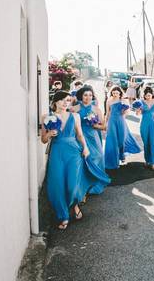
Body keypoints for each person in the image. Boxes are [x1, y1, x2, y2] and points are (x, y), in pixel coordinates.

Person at [41, 91, 89, 230]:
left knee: (71, 185)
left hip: (73, 152)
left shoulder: (75, 116)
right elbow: (43, 140)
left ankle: (74, 205)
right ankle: (64, 216)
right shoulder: (47, 117)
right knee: (56, 185)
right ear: (55, 101)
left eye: (67, 100)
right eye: (62, 100)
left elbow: (79, 135)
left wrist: (85, 148)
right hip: (57, 152)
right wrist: (49, 134)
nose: (65, 103)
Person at [75, 86, 112, 194]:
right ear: (81, 96)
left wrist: (95, 125)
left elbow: (103, 127)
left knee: (97, 156)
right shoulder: (74, 109)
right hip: (80, 136)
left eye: (90, 95)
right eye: (85, 95)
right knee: (82, 158)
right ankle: (83, 183)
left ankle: (95, 181)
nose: (88, 97)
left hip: (93, 136)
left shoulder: (96, 109)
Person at [103, 86, 142, 169]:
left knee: (121, 140)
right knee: (112, 140)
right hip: (112, 121)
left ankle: (122, 156)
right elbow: (107, 113)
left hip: (121, 121)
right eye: (113, 93)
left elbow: (127, 113)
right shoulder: (109, 100)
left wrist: (123, 110)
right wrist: (105, 124)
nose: (115, 94)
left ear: (120, 93)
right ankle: (114, 160)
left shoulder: (123, 100)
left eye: (116, 93)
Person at [136, 87, 154, 170]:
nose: (148, 97)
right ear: (144, 95)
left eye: (149, 95)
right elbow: (138, 114)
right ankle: (147, 161)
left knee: (153, 142)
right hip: (144, 123)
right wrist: (138, 109)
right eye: (146, 96)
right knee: (146, 143)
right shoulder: (141, 102)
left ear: (152, 94)